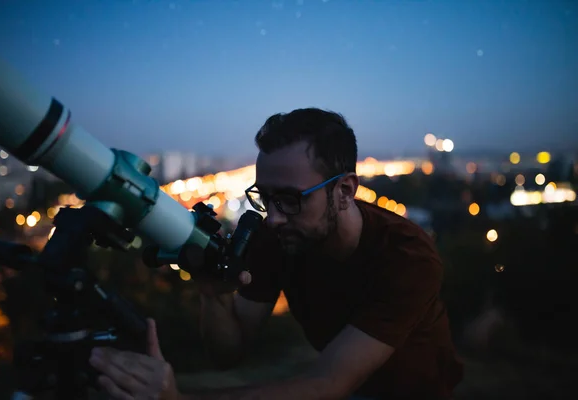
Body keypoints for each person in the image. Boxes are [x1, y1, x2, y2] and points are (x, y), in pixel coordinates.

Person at [89, 108, 464, 399]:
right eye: (266, 199)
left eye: (289, 200)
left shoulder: (407, 257)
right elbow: (228, 354)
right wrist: (212, 297)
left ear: (346, 191)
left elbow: (329, 383)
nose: (273, 218)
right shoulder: (281, 237)